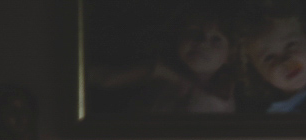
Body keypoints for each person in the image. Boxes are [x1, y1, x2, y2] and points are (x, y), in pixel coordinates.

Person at [90, 7, 237, 114]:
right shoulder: (158, 70)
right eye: (193, 32)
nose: (202, 42)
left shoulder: (220, 98)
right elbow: (104, 78)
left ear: (230, 56)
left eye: (216, 39)